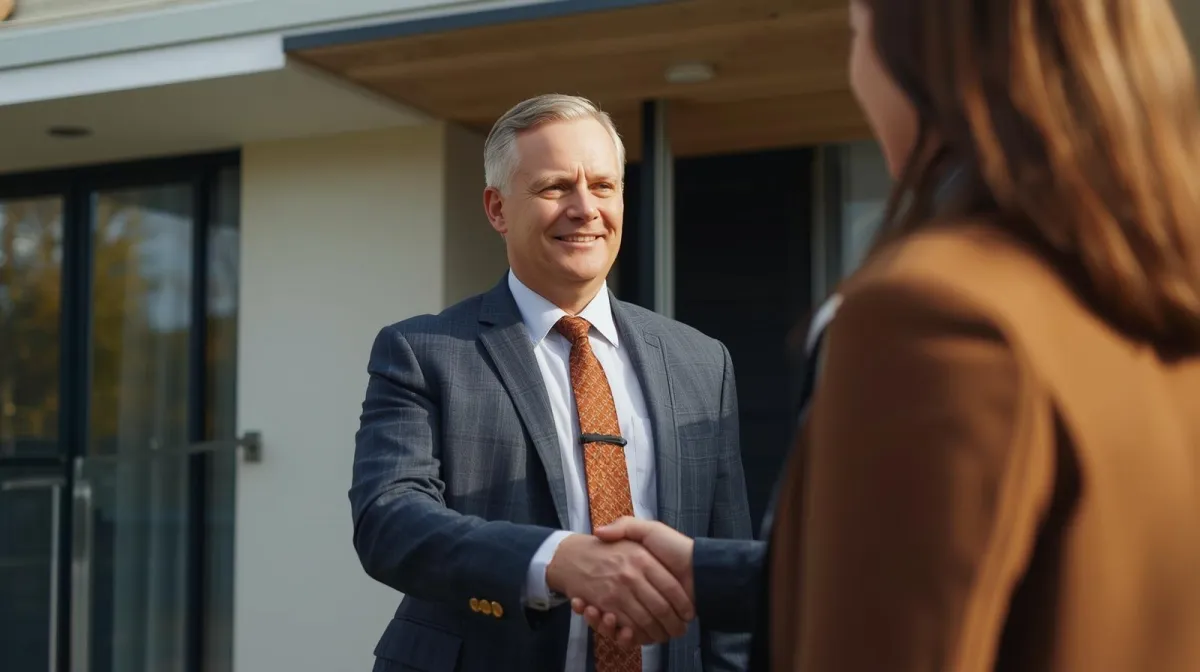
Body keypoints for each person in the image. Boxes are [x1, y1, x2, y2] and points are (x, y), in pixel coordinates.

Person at [578, 0, 1200, 669]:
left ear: (920, 57)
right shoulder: (1154, 304)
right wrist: (717, 570)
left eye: (855, 35)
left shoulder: (936, 316)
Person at [349, 93, 753, 672]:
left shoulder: (701, 361)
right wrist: (556, 559)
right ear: (497, 209)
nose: (585, 208)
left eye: (604, 186)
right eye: (555, 187)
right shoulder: (423, 352)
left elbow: (722, 569)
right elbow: (389, 521)